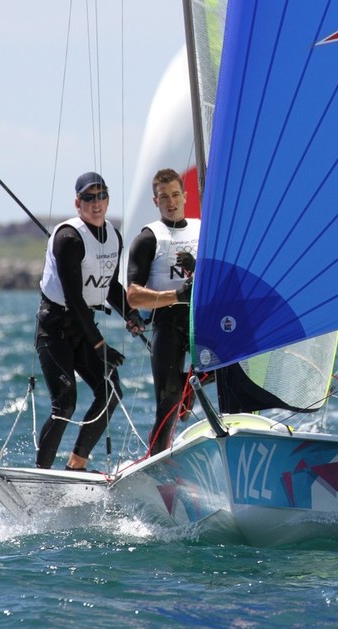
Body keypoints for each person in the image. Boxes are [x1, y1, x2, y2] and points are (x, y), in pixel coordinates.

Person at [35, 171, 145, 470]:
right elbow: (73, 299)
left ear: (108, 199)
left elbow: (108, 286)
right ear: (77, 202)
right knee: (65, 403)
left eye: (101, 196)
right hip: (55, 328)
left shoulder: (114, 235)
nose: (96, 203)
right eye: (88, 197)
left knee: (110, 392)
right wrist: (99, 345)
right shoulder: (68, 238)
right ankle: (41, 473)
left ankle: (76, 464)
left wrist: (131, 314)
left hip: (83, 327)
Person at [126, 168, 199, 455]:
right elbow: (133, 296)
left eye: (176, 195)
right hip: (167, 324)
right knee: (167, 405)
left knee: (232, 366)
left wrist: (198, 267)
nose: (171, 202)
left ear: (186, 196)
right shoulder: (148, 238)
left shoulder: (203, 228)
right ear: (155, 201)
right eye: (164, 197)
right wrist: (176, 295)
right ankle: (156, 461)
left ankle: (188, 388)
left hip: (200, 321)